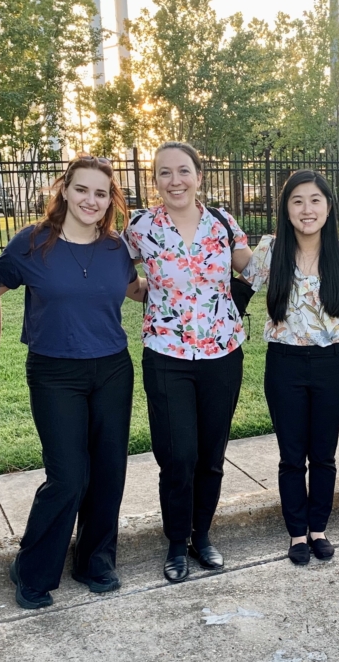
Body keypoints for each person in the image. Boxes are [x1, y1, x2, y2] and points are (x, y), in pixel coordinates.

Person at [0, 156, 146, 608]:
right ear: (65, 190)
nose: (91, 200)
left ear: (110, 200)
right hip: (54, 371)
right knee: (67, 476)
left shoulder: (116, 247)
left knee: (107, 471)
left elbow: (138, 289)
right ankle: (33, 567)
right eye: (82, 189)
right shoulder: (32, 243)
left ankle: (94, 559)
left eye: (101, 193)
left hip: (113, 369)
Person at [122, 141, 252, 583]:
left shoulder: (222, 222)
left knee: (211, 456)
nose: (174, 181)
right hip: (166, 354)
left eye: (183, 171)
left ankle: (203, 536)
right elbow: (113, 266)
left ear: (199, 175)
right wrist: (140, 288)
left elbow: (251, 270)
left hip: (222, 352)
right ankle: (177, 542)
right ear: (154, 180)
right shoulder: (140, 227)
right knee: (178, 455)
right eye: (164, 173)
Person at [241, 170, 339, 565]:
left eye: (315, 200)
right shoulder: (270, 250)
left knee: (323, 454)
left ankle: (318, 529)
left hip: (332, 365)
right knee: (291, 456)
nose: (307, 209)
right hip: (284, 365)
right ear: (286, 210)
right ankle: (296, 534)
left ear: (328, 207)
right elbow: (238, 292)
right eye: (297, 201)